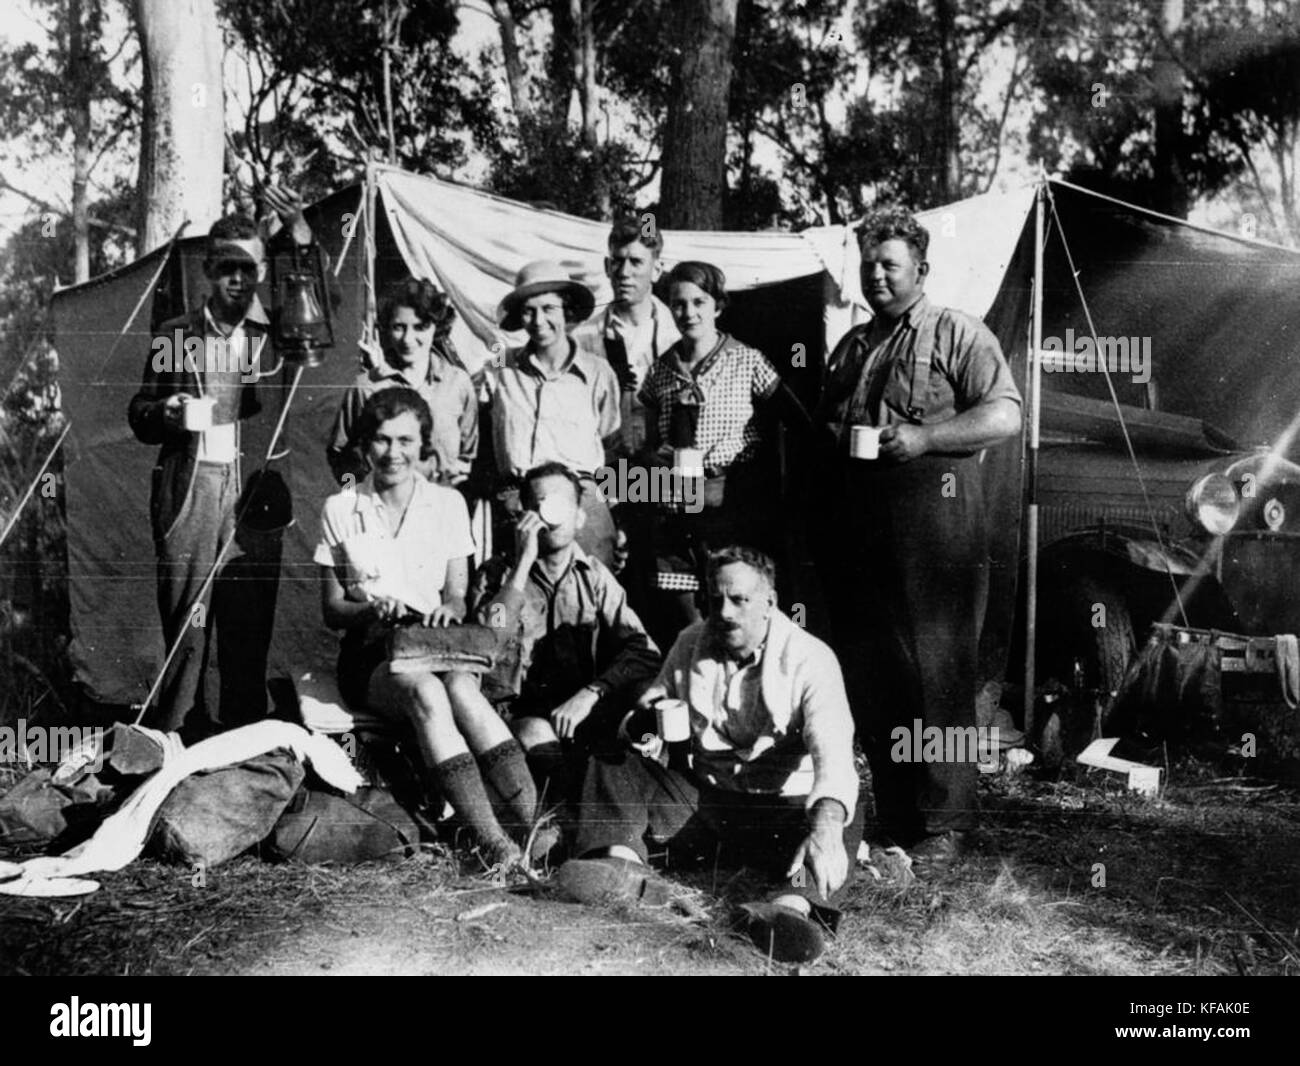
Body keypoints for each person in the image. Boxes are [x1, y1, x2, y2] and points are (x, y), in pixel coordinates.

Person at [812, 204, 1022, 873]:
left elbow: (1004, 414)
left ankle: (947, 823)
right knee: (874, 673)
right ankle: (901, 816)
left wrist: (929, 436)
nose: (876, 275)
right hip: (860, 524)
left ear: (921, 270)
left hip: (937, 525)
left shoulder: (958, 333)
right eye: (868, 264)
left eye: (889, 264)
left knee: (938, 673)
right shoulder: (851, 345)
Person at [556, 546, 861, 964]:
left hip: (782, 814)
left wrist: (825, 827)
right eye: (715, 600)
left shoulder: (810, 659)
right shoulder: (690, 642)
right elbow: (651, 707)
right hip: (707, 806)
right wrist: (644, 719)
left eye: (740, 600)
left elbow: (833, 752)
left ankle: (788, 910)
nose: (725, 612)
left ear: (769, 603)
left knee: (841, 814)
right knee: (613, 758)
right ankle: (621, 866)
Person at [315, 387, 537, 867]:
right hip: (372, 651)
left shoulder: (449, 504)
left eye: (405, 441)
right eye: (380, 440)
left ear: (424, 445)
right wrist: (372, 610)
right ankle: (494, 843)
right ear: (363, 446)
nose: (393, 453)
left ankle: (535, 825)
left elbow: (457, 593)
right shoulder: (340, 508)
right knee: (428, 693)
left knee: (463, 688)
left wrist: (449, 608)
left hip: (435, 642)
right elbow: (332, 609)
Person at [127, 188, 313, 740]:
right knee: (187, 623)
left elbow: (319, 311)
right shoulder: (176, 335)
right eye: (227, 267)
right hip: (192, 488)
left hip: (253, 491)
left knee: (247, 622)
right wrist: (166, 410)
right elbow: (139, 414)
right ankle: (176, 738)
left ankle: (241, 738)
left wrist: (300, 241)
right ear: (208, 269)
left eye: (250, 268)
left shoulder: (278, 336)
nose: (239, 279)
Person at [636, 260, 807, 650]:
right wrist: (658, 465)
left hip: (732, 506)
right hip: (677, 509)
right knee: (690, 628)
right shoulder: (660, 371)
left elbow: (796, 421)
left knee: (738, 617)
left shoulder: (747, 361)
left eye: (699, 302)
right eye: (679, 304)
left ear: (718, 305)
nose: (689, 313)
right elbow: (648, 441)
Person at [469, 462, 661, 809]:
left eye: (562, 504)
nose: (551, 515)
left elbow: (643, 649)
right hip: (514, 713)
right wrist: (522, 563)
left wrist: (592, 692)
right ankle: (567, 822)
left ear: (579, 517)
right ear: (525, 515)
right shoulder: (498, 575)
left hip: (578, 708)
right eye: (541, 503)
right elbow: (487, 635)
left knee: (644, 705)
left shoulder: (595, 577)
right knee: (538, 737)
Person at [486, 259, 622, 566]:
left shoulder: (598, 372)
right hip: (518, 500)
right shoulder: (501, 366)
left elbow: (614, 448)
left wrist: (616, 516)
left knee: (589, 592)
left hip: (581, 500)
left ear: (567, 311)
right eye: (528, 310)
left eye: (548, 309)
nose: (538, 320)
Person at [326, 276, 477, 489]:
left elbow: (467, 454)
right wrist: (353, 499)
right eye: (399, 327)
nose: (408, 338)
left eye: (420, 327)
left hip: (439, 510)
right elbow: (340, 456)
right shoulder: (366, 387)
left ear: (437, 326)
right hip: (382, 510)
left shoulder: (458, 383)